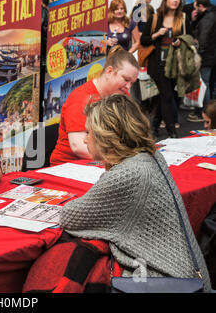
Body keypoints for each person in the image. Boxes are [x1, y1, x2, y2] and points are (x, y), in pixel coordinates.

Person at [59, 94, 212, 292]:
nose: (85, 139)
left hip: (163, 281)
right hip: (189, 276)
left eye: (89, 132)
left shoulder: (128, 174)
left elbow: (69, 217)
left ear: (105, 137)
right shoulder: (151, 157)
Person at [50, 45, 139, 165]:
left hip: (104, 160)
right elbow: (78, 145)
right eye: (125, 79)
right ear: (109, 71)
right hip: (69, 165)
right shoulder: (81, 98)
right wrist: (119, 159)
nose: (128, 86)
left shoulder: (123, 96)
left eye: (132, 83)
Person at [141, 0, 193, 138]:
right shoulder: (155, 18)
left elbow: (191, 39)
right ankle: (172, 132)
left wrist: (180, 42)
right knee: (167, 95)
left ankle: (154, 126)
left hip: (175, 65)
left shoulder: (183, 18)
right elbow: (143, 40)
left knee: (164, 97)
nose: (175, 0)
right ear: (166, 0)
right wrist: (156, 34)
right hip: (157, 65)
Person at [187, 0, 216, 122]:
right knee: (208, 84)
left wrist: (198, 54)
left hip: (207, 57)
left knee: (205, 84)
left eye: (196, 7)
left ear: (200, 6)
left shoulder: (208, 18)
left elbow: (203, 39)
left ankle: (207, 113)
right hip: (211, 55)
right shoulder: (209, 15)